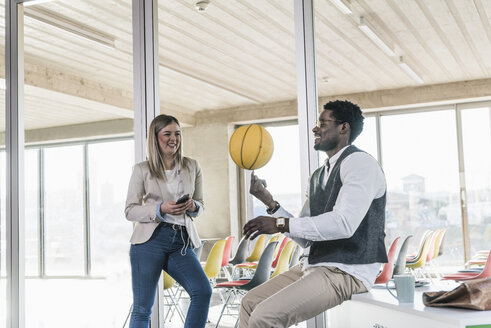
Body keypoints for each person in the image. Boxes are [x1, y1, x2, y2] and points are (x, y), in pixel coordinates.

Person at [241, 100, 388, 327]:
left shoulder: (360, 163)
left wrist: (280, 223)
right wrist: (269, 202)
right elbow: (306, 235)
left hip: (346, 271)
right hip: (312, 266)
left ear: (343, 128)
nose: (315, 128)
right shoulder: (319, 175)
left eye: (322, 122)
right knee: (249, 303)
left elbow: (343, 224)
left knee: (265, 317)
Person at [125, 114, 211, 328]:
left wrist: (193, 206)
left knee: (202, 291)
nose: (174, 138)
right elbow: (129, 211)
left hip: (181, 241)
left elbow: (200, 204)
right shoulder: (142, 169)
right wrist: (159, 208)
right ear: (156, 138)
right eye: (168, 134)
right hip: (149, 241)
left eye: (177, 134)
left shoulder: (192, 166)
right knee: (142, 308)